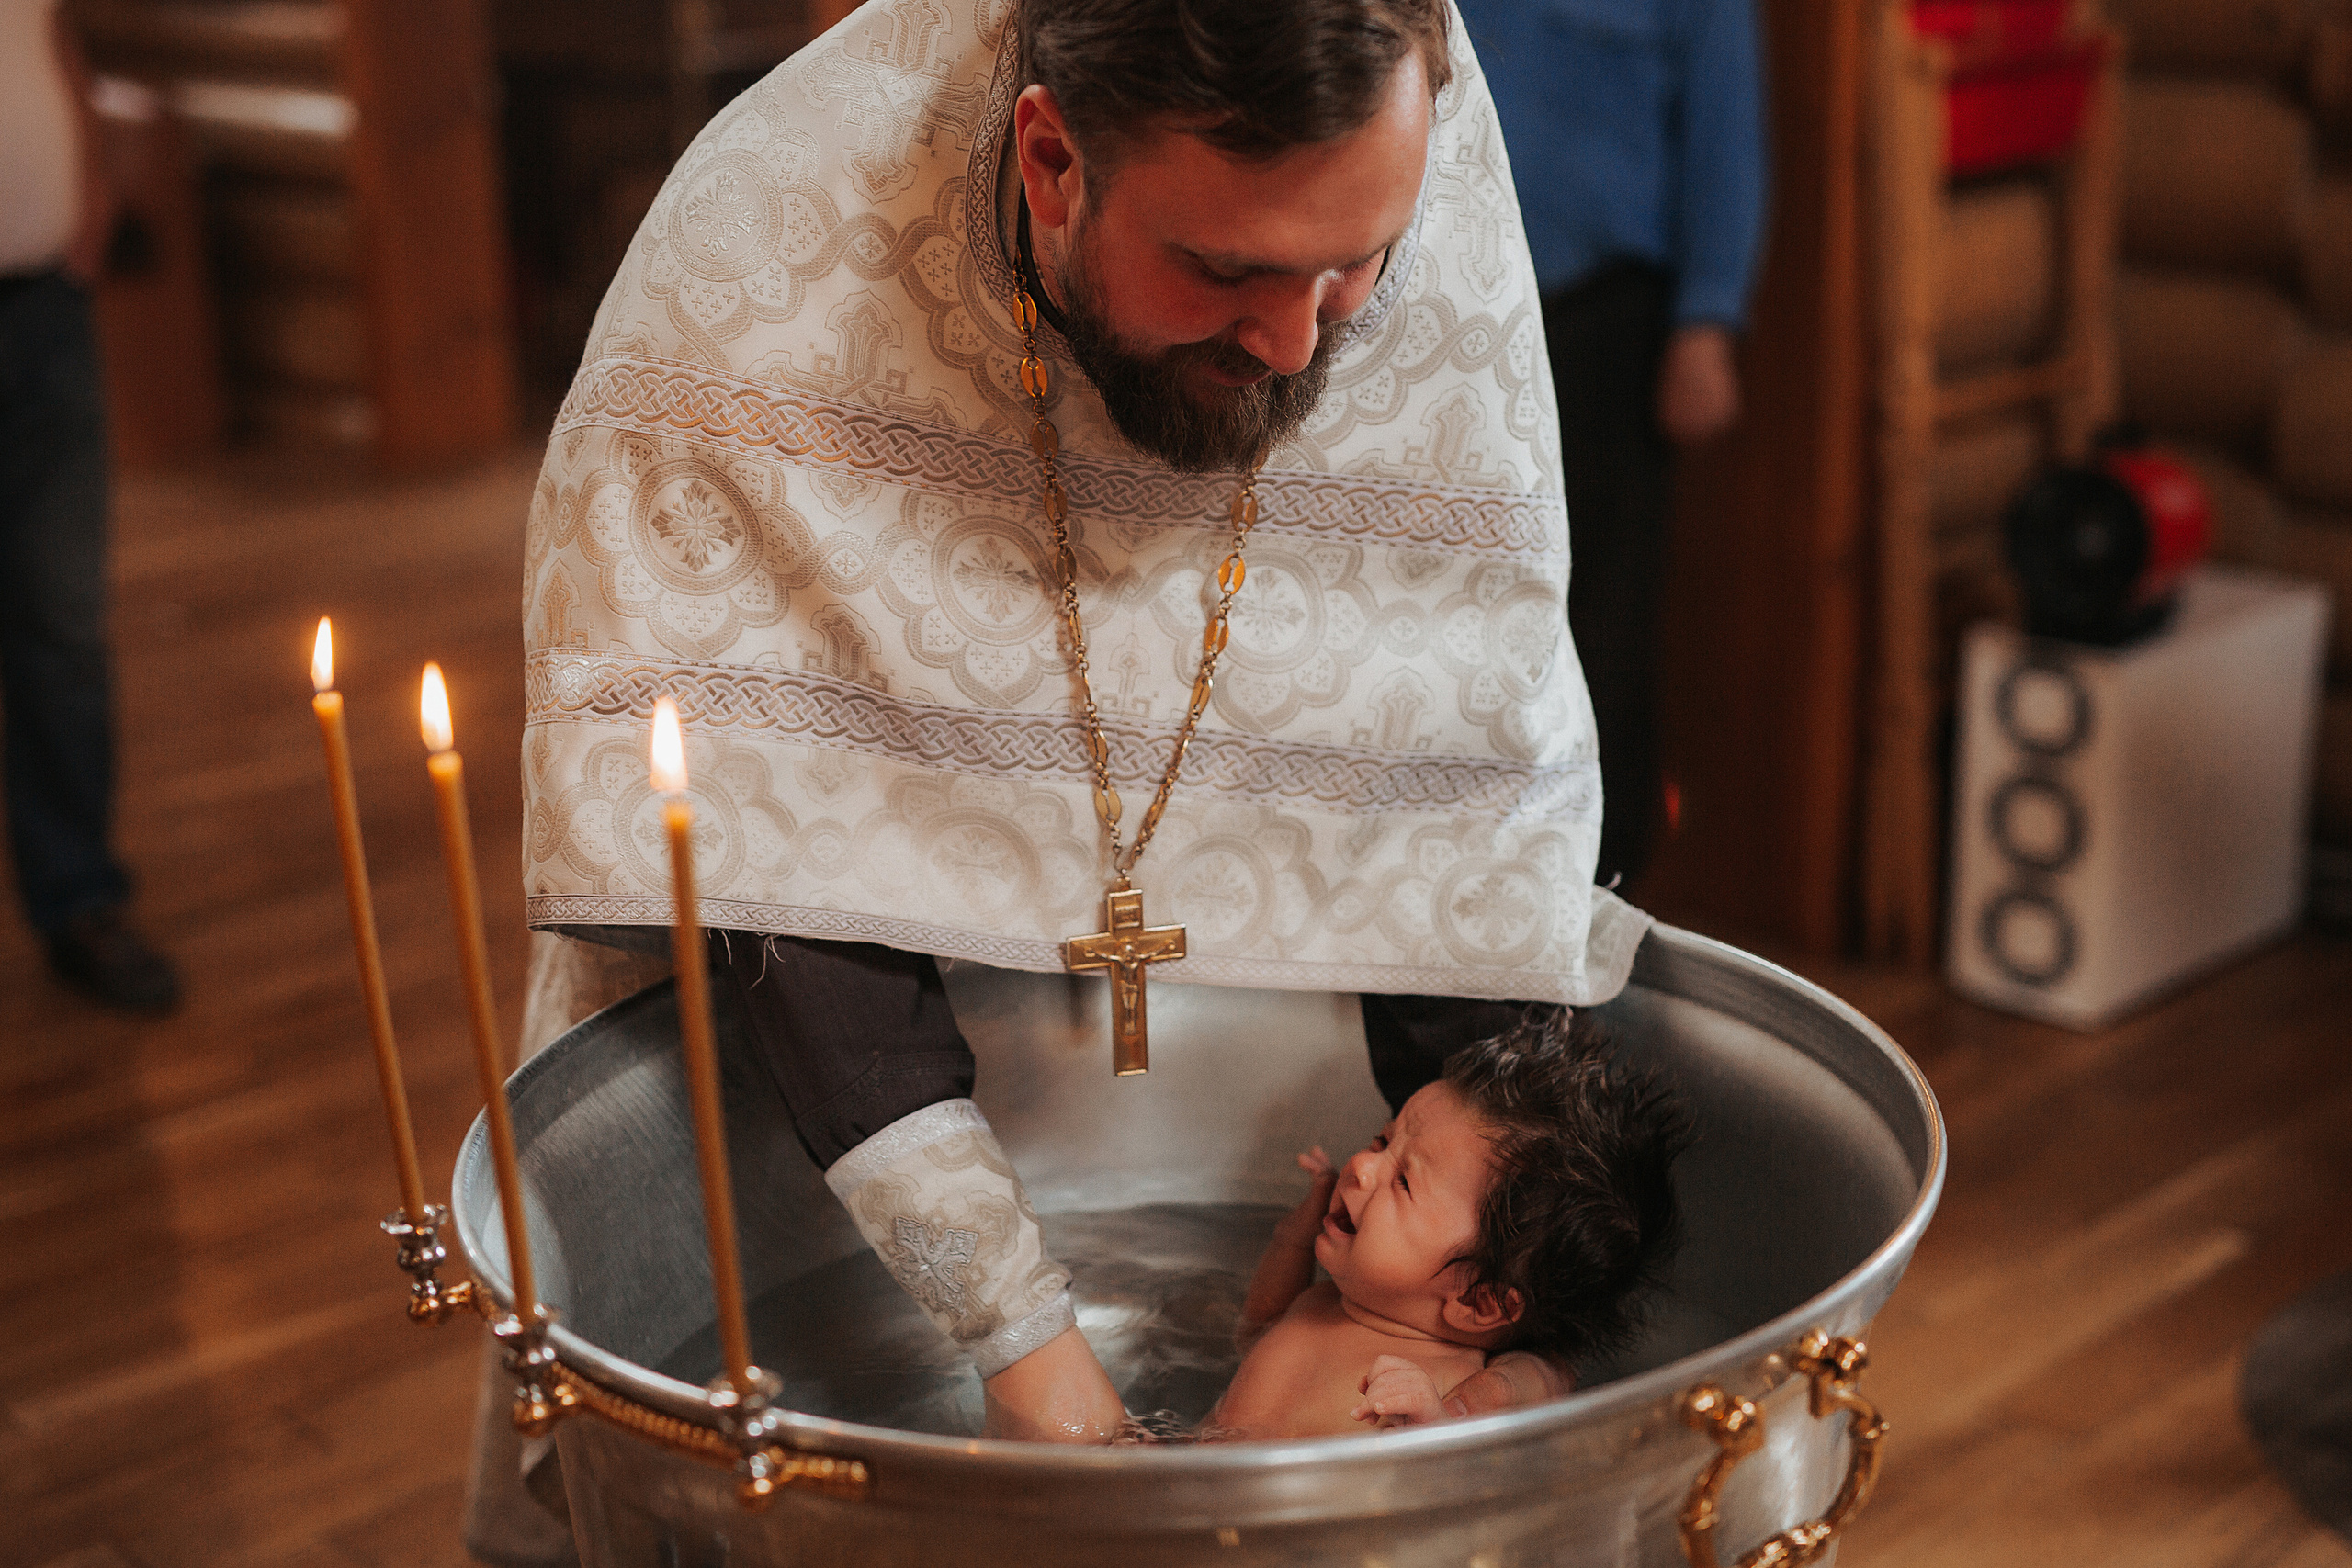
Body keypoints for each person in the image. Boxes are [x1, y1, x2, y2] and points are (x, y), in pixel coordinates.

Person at [473, 0, 1655, 1552]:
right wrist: (1020, 1341)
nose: (1302, 345)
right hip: (809, 1107)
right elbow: (769, 828)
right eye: (1228, 268)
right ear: (1049, 159)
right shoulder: (767, 255)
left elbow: (1456, 791)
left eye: (1354, 263)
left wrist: (1524, 1369)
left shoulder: (1422, 189)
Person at [1453, 0, 1769, 888]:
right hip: (1444, 319)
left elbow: (1725, 132)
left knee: (1599, 633)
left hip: (1605, 326)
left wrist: (1708, 318)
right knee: (1451, 618)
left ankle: (1596, 901)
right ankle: (1453, 911)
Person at [1211, 1010, 1687, 1439]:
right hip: (1200, 1472)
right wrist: (1294, 1237)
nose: (1359, 1164)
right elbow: (1256, 1328)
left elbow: (1447, 1493)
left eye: (1402, 1183)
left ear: (1477, 1299)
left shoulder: (1447, 1387)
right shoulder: (1324, 1302)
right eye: (1382, 1141)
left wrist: (1430, 1431)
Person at [0, 0, 180, 1013]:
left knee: (62, 626)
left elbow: (49, 38)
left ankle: (80, 900)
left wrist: (90, 205)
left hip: (44, 310)